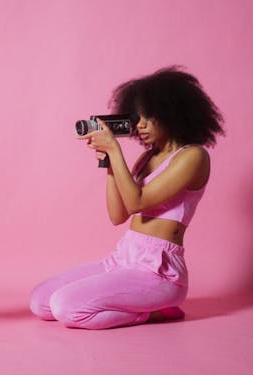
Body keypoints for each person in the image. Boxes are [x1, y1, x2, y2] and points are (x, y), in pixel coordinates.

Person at [29, 66, 225, 329]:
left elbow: (138, 202)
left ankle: (158, 312)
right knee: (41, 301)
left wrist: (115, 149)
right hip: (124, 258)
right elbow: (118, 215)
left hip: (159, 273)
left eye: (148, 118)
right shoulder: (148, 158)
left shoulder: (193, 157)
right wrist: (110, 163)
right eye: (137, 117)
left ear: (172, 114)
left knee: (66, 307)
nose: (139, 125)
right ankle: (139, 306)